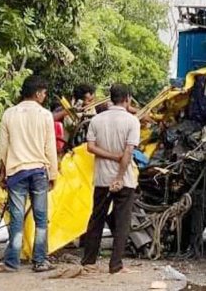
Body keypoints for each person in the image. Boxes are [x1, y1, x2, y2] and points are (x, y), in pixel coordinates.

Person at [0, 75, 59, 273]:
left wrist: (2, 173)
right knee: (40, 218)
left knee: (17, 217)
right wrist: (53, 174)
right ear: (38, 93)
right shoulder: (45, 115)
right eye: (44, 93)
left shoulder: (9, 114)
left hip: (16, 173)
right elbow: (50, 148)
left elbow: (2, 148)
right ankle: (40, 261)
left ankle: (12, 262)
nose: (45, 96)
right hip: (39, 172)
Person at [81, 83, 140, 274]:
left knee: (96, 218)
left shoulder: (97, 120)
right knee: (122, 222)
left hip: (101, 178)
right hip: (125, 180)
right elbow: (128, 152)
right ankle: (115, 265)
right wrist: (120, 176)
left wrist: (110, 157)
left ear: (110, 98)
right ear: (128, 98)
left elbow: (90, 147)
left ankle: (88, 261)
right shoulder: (132, 121)